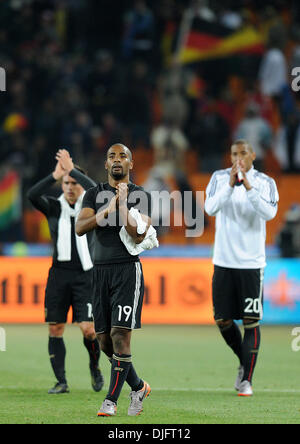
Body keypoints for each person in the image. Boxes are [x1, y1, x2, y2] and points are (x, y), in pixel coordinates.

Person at [76, 143, 152, 417]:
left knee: (121, 335)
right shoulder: (93, 194)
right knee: (104, 340)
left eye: (123, 156)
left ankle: (110, 400)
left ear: (131, 164)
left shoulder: (140, 195)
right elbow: (80, 227)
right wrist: (106, 210)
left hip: (126, 270)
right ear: (106, 165)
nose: (117, 160)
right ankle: (138, 386)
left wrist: (121, 206)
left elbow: (139, 235)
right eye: (112, 156)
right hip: (99, 271)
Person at [204, 139, 279, 396]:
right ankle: (244, 360)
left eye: (243, 153)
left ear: (253, 155)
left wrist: (247, 185)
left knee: (250, 321)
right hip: (224, 260)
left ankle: (246, 380)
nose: (238, 158)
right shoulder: (219, 178)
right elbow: (210, 208)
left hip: (251, 263)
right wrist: (230, 185)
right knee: (223, 319)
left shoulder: (265, 182)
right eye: (234, 153)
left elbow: (268, 214)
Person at [27, 149, 104, 394]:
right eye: (66, 183)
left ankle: (95, 367)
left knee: (88, 329)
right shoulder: (53, 207)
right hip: (59, 275)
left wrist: (71, 169)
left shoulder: (90, 207)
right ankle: (61, 381)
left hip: (86, 276)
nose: (70, 187)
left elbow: (97, 190)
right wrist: (55, 174)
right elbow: (32, 194)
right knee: (55, 327)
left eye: (73, 183)